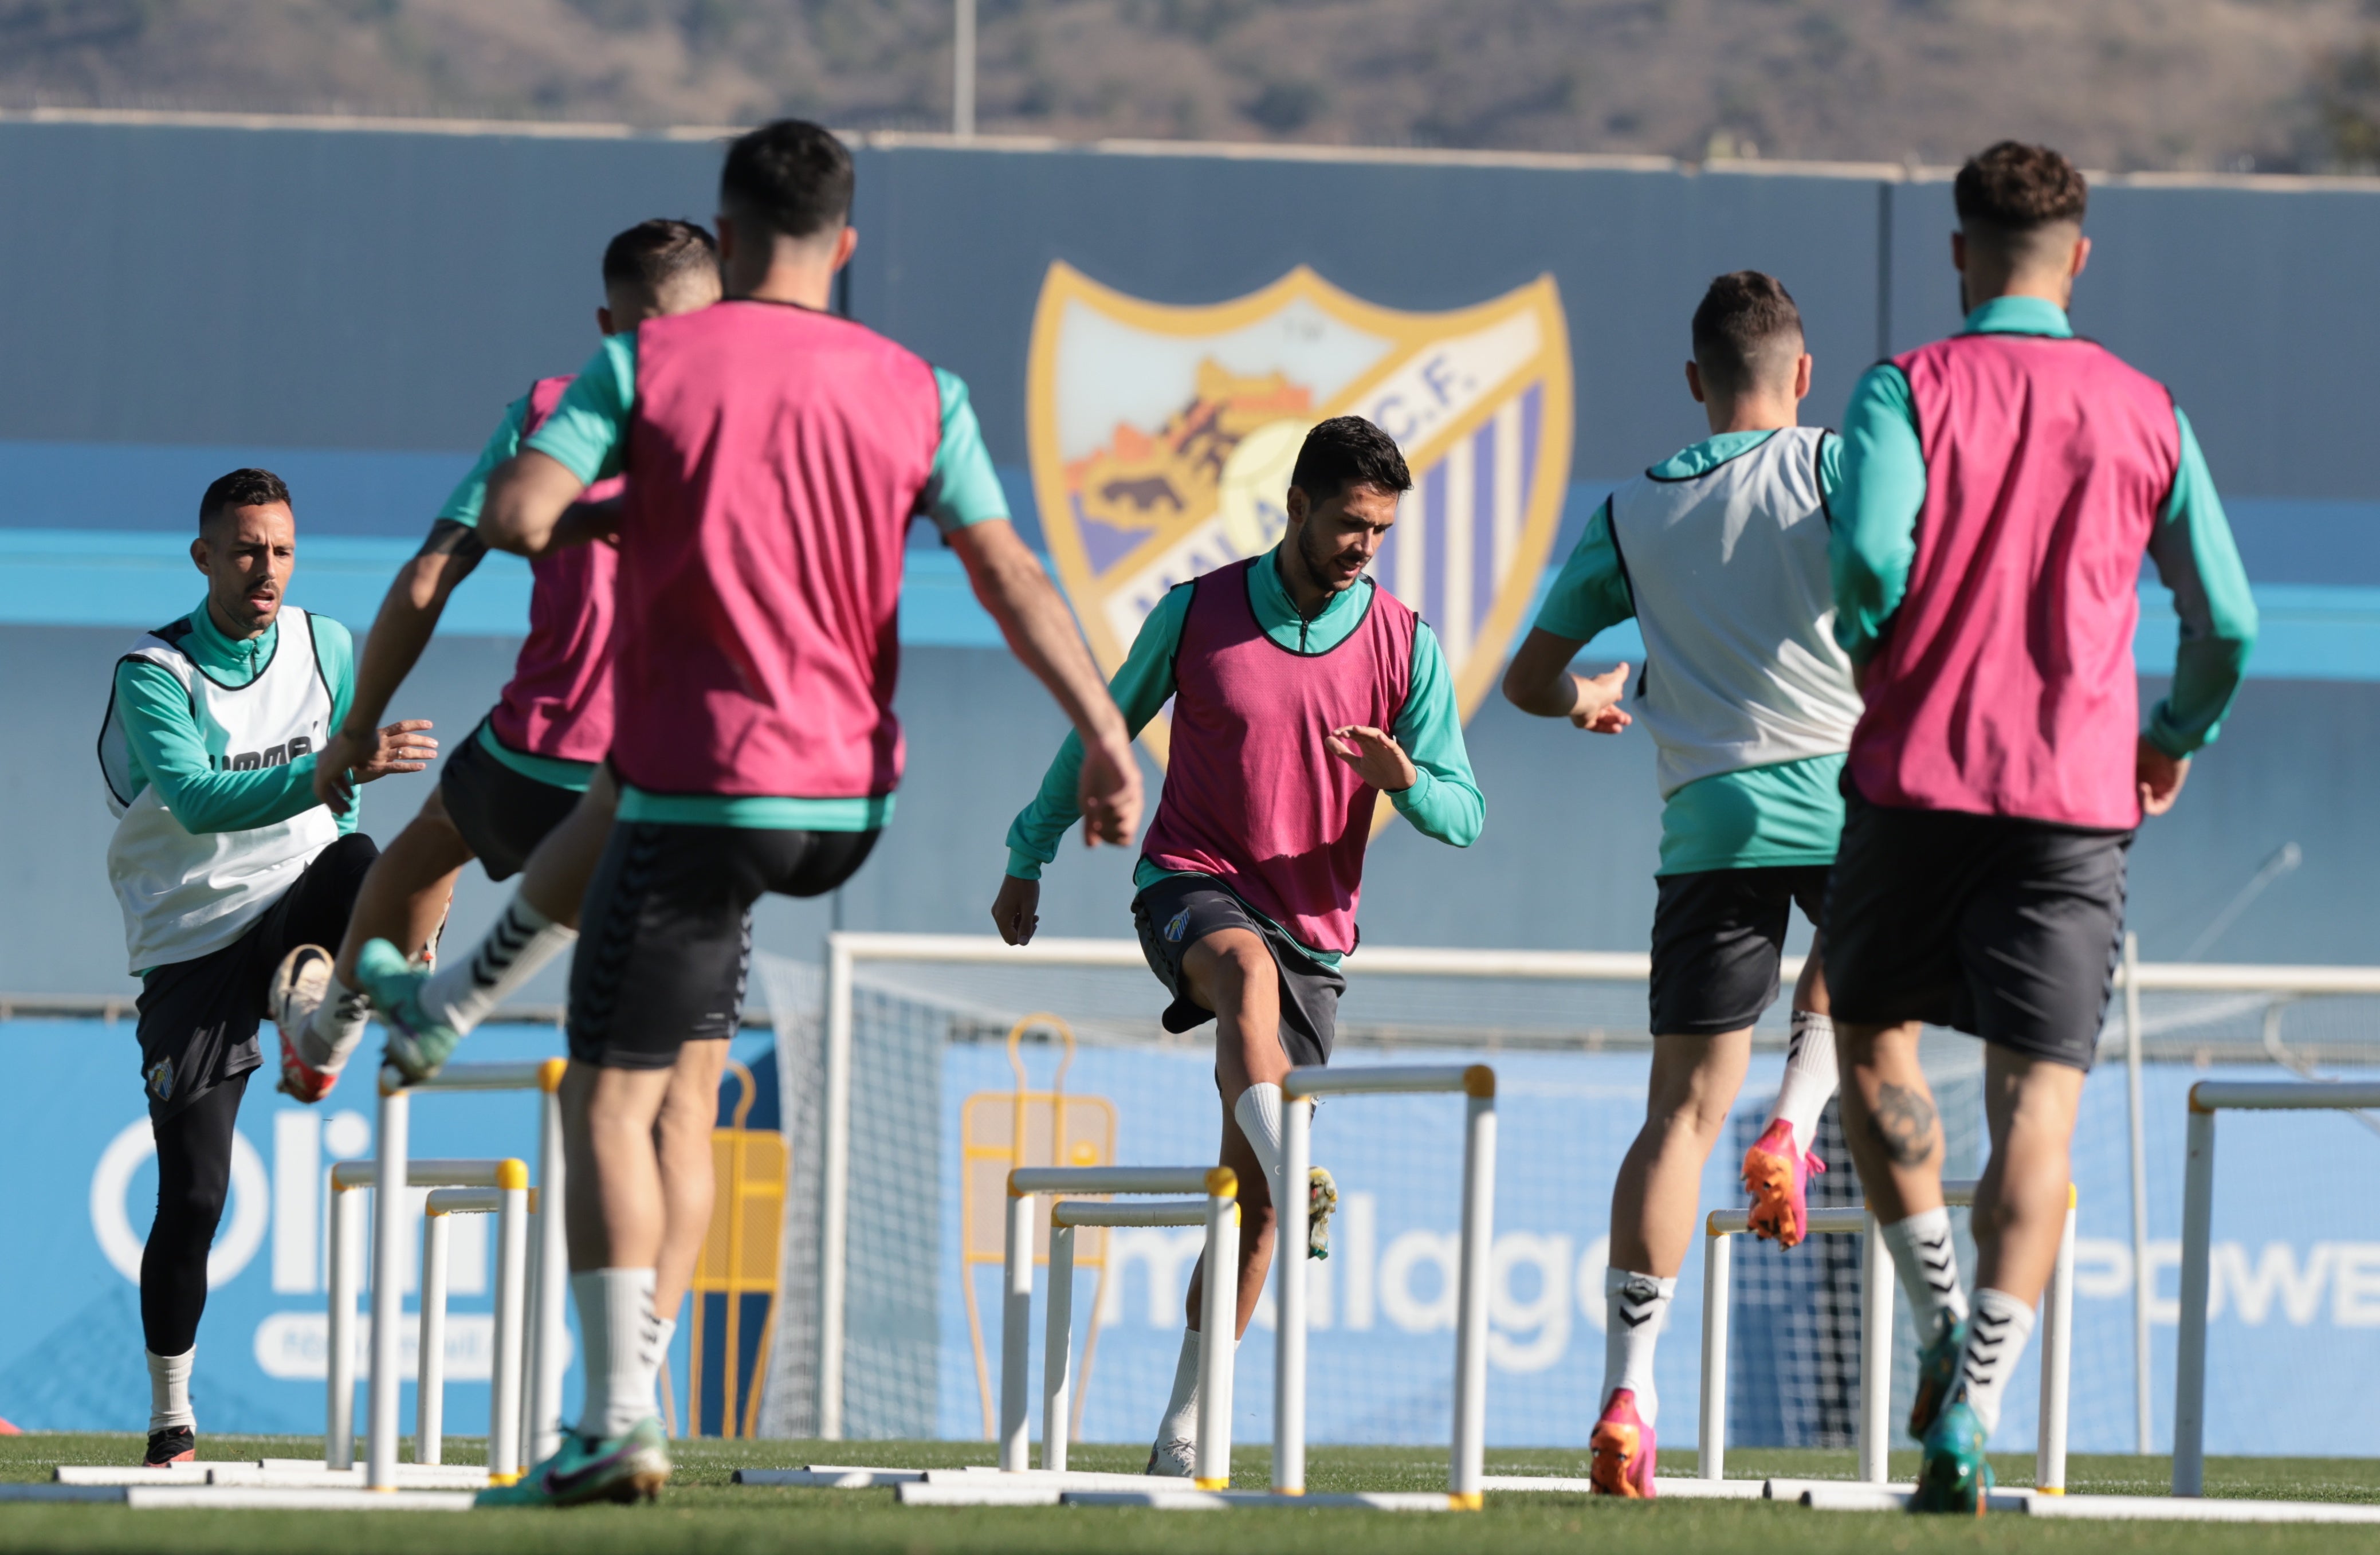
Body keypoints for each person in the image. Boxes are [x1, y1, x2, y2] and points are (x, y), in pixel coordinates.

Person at [371, 119, 1140, 1507]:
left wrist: (612, 514)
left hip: (708, 789)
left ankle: (612, 1416)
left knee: (609, 1093)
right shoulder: (920, 385)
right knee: (622, 815)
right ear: (845, 250)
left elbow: (523, 513)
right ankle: (461, 1001)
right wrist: (1099, 736)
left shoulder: (644, 363)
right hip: (847, 798)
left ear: (723, 246)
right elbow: (1010, 569)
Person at [1826, 141, 2256, 1513]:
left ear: (1958, 254)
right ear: (2078, 260)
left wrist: (1873, 642)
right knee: (2040, 1105)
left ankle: (1936, 1314)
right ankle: (1978, 1407)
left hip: (1913, 776)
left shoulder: (1906, 385)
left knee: (1870, 1034)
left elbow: (1865, 558)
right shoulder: (2147, 410)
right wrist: (2170, 737)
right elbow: (2227, 622)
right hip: (2075, 802)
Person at [994, 415, 1487, 1478]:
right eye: (1351, 522)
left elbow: (1465, 813)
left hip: (1317, 934)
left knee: (1254, 1212)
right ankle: (1299, 1157)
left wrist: (1405, 780)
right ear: (1297, 505)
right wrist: (1026, 851)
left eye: (1381, 529)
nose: (1364, 544)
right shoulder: (1198, 612)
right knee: (1246, 974)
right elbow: (1104, 729)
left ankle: (1179, 1435)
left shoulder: (1406, 642)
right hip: (1191, 891)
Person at [1500, 270, 1863, 1497]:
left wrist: (1592, 695)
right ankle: (1799, 1128)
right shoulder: (1837, 467)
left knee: (1674, 1118)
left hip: (1707, 825)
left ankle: (1627, 1395)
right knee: (1881, 970)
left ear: (1695, 382)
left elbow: (1528, 680)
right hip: (1842, 795)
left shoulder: (1626, 509)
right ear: (1802, 377)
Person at [277, 218, 722, 1104]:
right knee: (677, 1104)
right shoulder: (761, 425)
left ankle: (328, 1036)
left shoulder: (550, 411)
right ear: (722, 318)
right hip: (695, 787)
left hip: (540, 759)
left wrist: (354, 729)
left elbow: (426, 580)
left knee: (436, 834)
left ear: (608, 326)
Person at [95, 468, 434, 1466]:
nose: (266, 570)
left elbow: (344, 813)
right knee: (195, 1195)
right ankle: (170, 1417)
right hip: (187, 936)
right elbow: (196, 800)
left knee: (364, 864)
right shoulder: (153, 669)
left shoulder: (326, 641)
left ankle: (321, 1014)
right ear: (204, 557)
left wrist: (339, 808)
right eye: (246, 550)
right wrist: (332, 769)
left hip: (290, 895)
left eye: (281, 550)